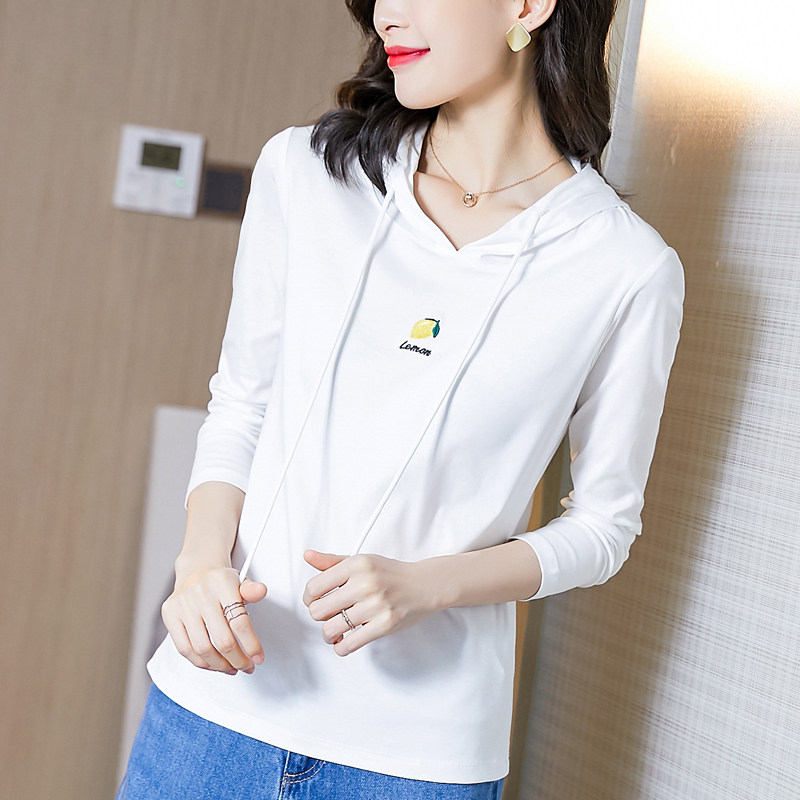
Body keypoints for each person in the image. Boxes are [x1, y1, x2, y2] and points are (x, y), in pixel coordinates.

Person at [117, 0, 684, 797]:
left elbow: (603, 527)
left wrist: (432, 584)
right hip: (212, 716)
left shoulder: (624, 268)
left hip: (417, 762)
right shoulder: (303, 173)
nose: (388, 14)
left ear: (528, 6)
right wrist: (199, 565)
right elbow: (241, 405)